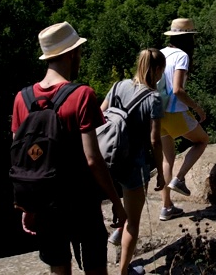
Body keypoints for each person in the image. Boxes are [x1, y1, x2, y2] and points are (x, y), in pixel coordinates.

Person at [11, 21, 127, 275]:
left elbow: (22, 159)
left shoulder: (23, 98)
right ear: (72, 53)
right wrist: (116, 203)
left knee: (58, 270)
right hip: (81, 203)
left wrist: (27, 206)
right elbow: (93, 159)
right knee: (96, 269)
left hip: (44, 204)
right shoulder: (82, 95)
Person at [100, 48, 167, 275]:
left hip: (109, 158)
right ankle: (124, 271)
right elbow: (155, 140)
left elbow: (100, 114)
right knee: (133, 222)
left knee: (123, 210)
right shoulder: (154, 98)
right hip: (134, 166)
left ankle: (117, 231)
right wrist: (161, 171)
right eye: (161, 72)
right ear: (157, 69)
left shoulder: (118, 86)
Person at [159, 18, 209, 221]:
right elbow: (178, 90)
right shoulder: (182, 57)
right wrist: (197, 108)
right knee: (202, 140)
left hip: (156, 113)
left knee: (166, 159)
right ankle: (179, 179)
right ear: (189, 38)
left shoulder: (161, 53)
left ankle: (166, 207)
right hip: (174, 112)